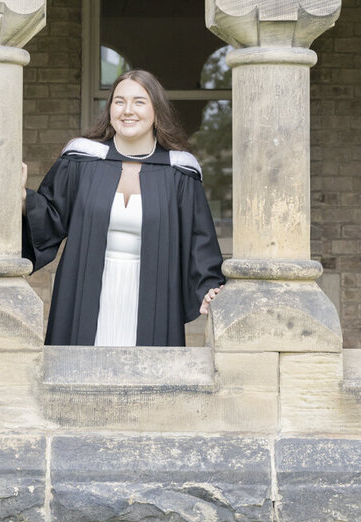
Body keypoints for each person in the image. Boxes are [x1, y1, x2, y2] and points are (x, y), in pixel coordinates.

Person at [22, 69, 225, 346]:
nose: (128, 110)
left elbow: (199, 241)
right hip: (85, 287)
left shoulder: (179, 172)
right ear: (110, 109)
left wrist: (208, 288)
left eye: (139, 102)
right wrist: (23, 198)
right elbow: (51, 217)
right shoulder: (82, 160)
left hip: (153, 292)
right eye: (119, 101)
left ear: (156, 111)